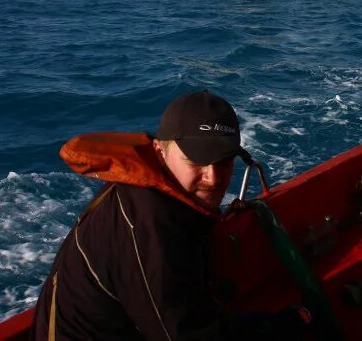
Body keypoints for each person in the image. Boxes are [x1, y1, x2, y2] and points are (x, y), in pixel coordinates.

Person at [30, 89, 249, 341]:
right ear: (159, 151)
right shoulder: (149, 227)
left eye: (224, 161)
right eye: (195, 162)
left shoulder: (157, 196)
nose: (213, 178)